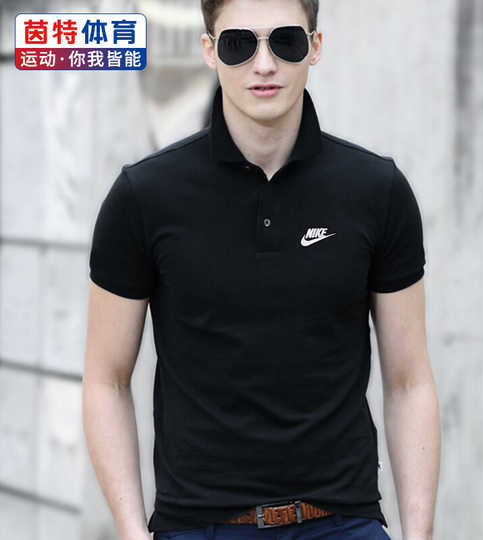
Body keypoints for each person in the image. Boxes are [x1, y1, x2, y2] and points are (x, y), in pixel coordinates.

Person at [83, 0, 441, 539]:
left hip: (342, 524)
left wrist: (419, 534)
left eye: (286, 41)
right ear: (210, 51)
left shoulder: (377, 191)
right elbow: (105, 380)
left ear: (315, 47)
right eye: (239, 44)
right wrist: (133, 533)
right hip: (199, 527)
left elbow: (410, 381)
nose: (265, 64)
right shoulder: (143, 197)